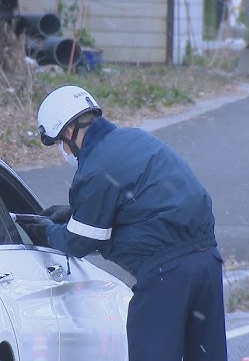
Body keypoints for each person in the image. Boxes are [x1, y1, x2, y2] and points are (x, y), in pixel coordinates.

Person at [16, 85, 227, 360]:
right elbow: (135, 204)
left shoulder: (94, 168)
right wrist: (71, 214)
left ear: (68, 132)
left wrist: (46, 232)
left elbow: (80, 242)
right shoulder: (135, 139)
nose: (63, 150)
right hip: (207, 263)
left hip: (167, 275)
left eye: (58, 143)